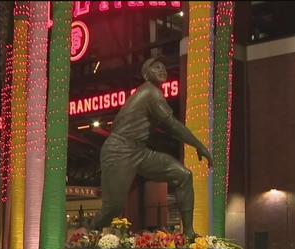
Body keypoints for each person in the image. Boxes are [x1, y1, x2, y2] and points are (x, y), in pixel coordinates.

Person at [86, 57, 213, 239]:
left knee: (183, 175)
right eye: (155, 67)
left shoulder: (154, 92)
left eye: (163, 67)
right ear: (146, 75)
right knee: (113, 207)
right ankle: (90, 234)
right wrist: (199, 145)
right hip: (119, 149)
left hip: (140, 151)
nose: (162, 70)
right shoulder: (150, 92)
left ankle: (189, 233)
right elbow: (173, 126)